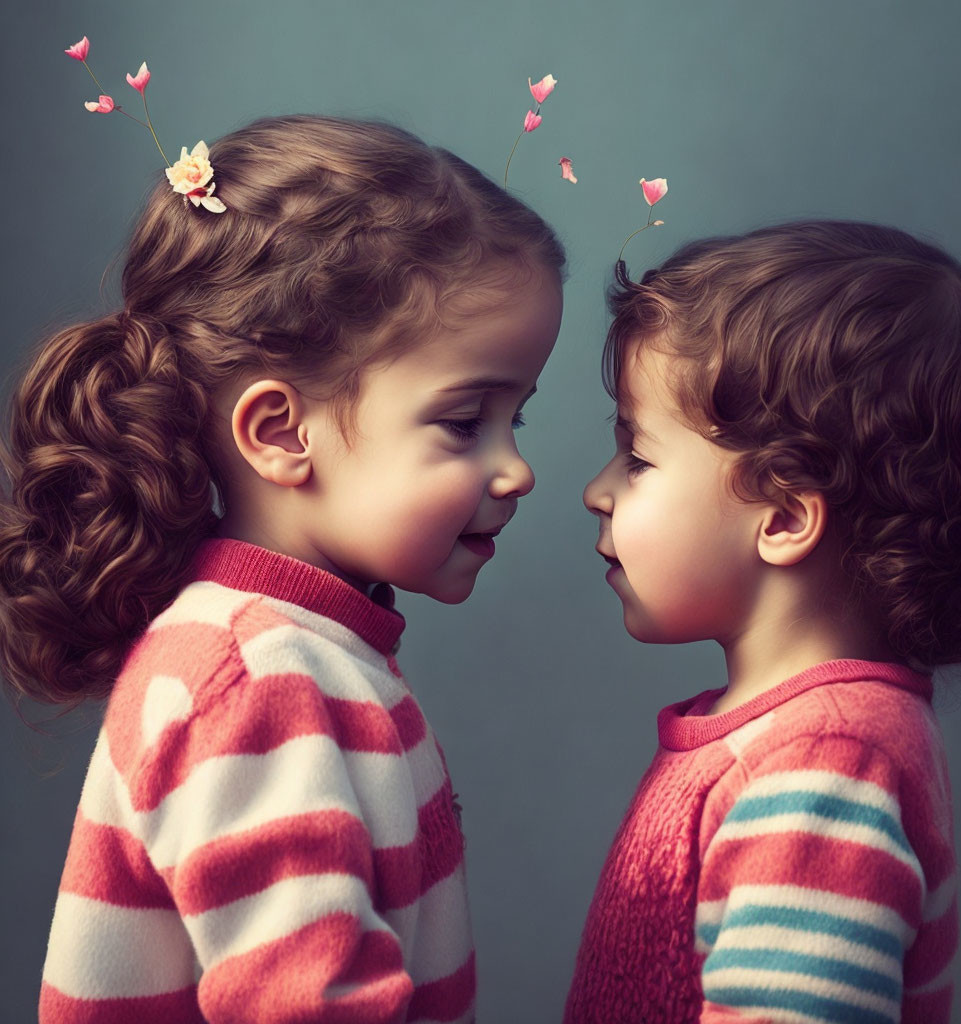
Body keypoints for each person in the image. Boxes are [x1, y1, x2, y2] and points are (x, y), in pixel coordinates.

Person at [0, 114, 564, 1024]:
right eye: (465, 422)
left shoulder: (301, 653)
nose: (515, 469)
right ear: (279, 433)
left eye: (518, 419)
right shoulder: (252, 680)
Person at [567, 220, 961, 1023]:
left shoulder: (826, 765)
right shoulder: (787, 739)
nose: (597, 491)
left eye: (637, 458)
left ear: (781, 517)